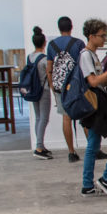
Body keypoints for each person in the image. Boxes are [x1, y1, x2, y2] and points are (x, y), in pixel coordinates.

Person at [77, 18, 107, 197]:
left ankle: (87, 184)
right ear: (91, 36)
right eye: (102, 36)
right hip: (97, 103)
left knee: (93, 144)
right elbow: (94, 81)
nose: (104, 39)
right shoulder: (86, 55)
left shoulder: (91, 55)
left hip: (97, 103)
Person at [45, 16, 83, 162]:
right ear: (71, 27)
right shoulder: (78, 43)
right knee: (85, 117)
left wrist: (53, 87)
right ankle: (95, 149)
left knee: (66, 118)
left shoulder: (51, 45)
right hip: (76, 85)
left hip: (60, 86)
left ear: (59, 28)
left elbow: (50, 69)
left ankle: (71, 152)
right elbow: (82, 65)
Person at [28, 26, 53, 160]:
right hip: (43, 90)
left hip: (33, 90)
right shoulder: (44, 59)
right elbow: (49, 75)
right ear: (44, 43)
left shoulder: (30, 57)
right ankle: (39, 147)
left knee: (38, 117)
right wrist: (53, 88)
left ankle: (40, 145)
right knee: (44, 118)